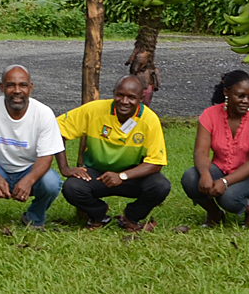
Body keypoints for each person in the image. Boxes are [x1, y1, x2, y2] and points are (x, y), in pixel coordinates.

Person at [57, 75, 170, 231]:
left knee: (160, 185)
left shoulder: (150, 120)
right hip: (97, 174)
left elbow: (156, 163)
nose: (124, 101)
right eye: (120, 95)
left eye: (131, 97)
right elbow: (55, 130)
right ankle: (99, 216)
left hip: (131, 176)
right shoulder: (95, 110)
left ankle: (131, 217)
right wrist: (64, 168)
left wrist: (122, 176)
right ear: (113, 93)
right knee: (72, 187)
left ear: (141, 98)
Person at [0, 65, 63, 230]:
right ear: (2, 87)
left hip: (29, 169)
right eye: (11, 85)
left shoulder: (44, 113)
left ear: (31, 87)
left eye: (23, 85)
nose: (17, 90)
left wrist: (29, 180)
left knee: (51, 182)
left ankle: (34, 218)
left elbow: (46, 157)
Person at [182, 70, 249, 227]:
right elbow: (201, 151)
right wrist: (205, 174)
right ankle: (214, 213)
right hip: (221, 169)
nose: (246, 101)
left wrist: (224, 182)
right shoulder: (210, 115)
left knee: (229, 197)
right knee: (191, 178)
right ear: (226, 93)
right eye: (240, 96)